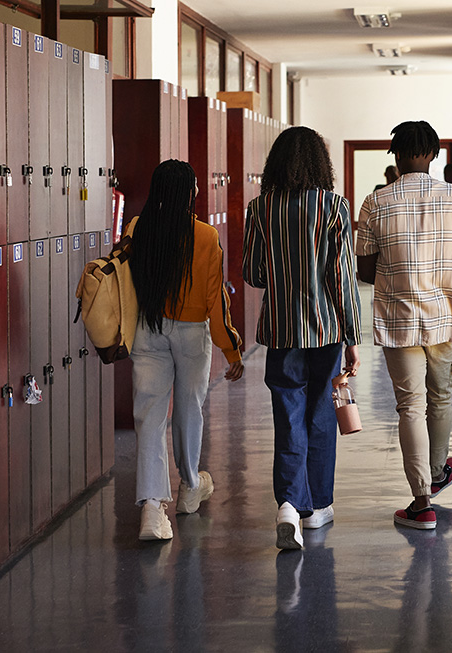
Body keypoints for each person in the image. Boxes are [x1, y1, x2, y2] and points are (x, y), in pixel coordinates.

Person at [355, 120, 452, 530]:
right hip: (445, 321)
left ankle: (422, 501)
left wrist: (400, 266)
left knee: (410, 407)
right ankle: (438, 470)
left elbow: (366, 272)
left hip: (398, 322)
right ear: (434, 155)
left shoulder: (374, 203)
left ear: (395, 155)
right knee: (440, 399)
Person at [242, 126, 361, 550]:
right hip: (326, 328)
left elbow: (253, 273)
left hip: (279, 331)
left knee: (287, 413)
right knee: (320, 414)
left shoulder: (260, 208)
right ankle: (318, 507)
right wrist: (352, 334)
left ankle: (291, 505)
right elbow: (343, 276)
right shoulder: (333, 206)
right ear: (319, 163)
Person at [129, 159, 245, 541]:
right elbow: (216, 302)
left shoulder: (137, 229)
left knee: (149, 416)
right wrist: (231, 349)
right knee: (188, 409)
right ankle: (189, 488)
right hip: (193, 333)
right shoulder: (206, 236)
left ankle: (151, 508)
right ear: (189, 192)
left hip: (148, 330)